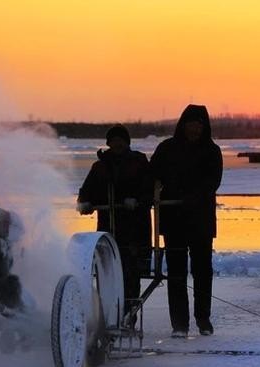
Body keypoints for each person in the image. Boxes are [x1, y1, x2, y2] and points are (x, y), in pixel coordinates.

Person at [150, 104, 223, 337]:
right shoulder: (167, 149)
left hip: (201, 221)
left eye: (199, 124)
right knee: (176, 273)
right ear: (183, 124)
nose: (195, 128)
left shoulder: (212, 151)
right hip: (174, 221)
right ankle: (179, 324)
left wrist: (193, 198)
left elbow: (212, 182)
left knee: (202, 271)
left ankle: (203, 319)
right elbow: (151, 176)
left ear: (205, 127)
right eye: (191, 123)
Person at [77, 124, 152, 322]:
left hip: (134, 230)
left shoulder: (139, 163)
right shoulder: (99, 167)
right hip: (107, 231)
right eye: (113, 140)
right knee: (105, 274)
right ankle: (107, 319)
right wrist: (85, 203)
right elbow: (87, 191)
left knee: (130, 275)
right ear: (108, 143)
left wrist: (136, 201)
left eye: (121, 140)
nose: (117, 143)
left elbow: (150, 192)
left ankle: (128, 318)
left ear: (127, 142)